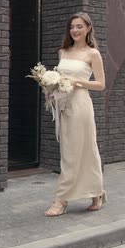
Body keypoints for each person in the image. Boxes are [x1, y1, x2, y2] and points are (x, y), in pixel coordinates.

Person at [44, 12, 106, 217]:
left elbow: (100, 84)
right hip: (64, 106)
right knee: (69, 152)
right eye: (72, 27)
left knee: (85, 150)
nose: (75, 30)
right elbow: (59, 79)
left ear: (88, 28)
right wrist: (50, 92)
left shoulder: (92, 54)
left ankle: (61, 200)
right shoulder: (63, 52)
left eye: (79, 26)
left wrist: (78, 83)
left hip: (81, 105)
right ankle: (97, 193)